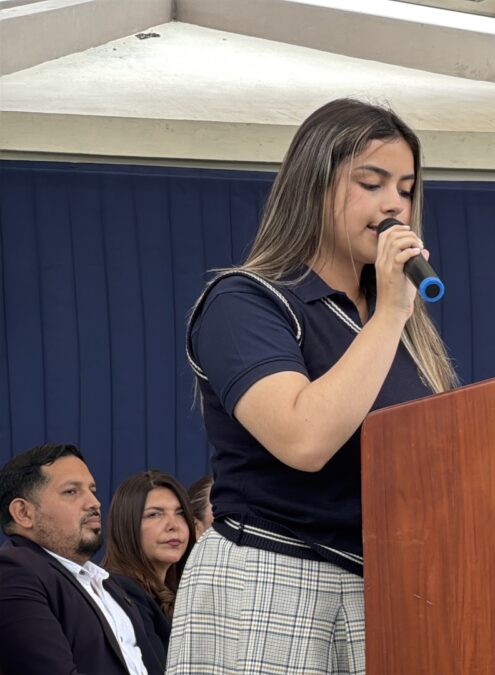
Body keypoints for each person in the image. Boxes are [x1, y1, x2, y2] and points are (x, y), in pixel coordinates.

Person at [168, 98, 457, 675]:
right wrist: (389, 314)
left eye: (405, 190)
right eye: (371, 183)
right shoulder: (246, 301)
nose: (393, 205)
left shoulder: (396, 322)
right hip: (273, 575)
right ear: (312, 188)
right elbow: (304, 438)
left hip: (383, 586)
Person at [0, 443, 164, 675]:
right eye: (71, 492)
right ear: (24, 513)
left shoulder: (110, 585)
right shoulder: (14, 572)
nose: (94, 503)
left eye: (92, 490)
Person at [103, 470, 197, 669]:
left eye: (180, 513)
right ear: (127, 525)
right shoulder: (121, 592)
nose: (173, 525)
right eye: (154, 514)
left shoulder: (181, 592)